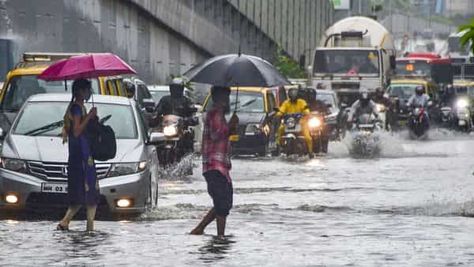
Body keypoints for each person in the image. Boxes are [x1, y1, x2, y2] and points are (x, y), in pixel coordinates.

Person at [191, 86, 238, 238]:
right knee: (222, 203)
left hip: (222, 166)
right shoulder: (214, 113)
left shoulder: (220, 115)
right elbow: (216, 134)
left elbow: (222, 136)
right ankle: (220, 237)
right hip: (214, 166)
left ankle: (200, 228)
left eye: (227, 97)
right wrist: (229, 127)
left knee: (225, 202)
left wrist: (231, 128)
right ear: (217, 98)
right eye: (223, 97)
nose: (226, 101)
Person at [57, 79, 99, 232]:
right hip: (80, 155)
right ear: (80, 91)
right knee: (86, 192)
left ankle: (81, 225)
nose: (89, 93)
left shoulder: (80, 107)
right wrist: (89, 116)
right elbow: (76, 131)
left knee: (88, 193)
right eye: (87, 89)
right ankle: (71, 223)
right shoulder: (76, 108)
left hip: (82, 153)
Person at [275, 88, 313, 156]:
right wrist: (279, 113)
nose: (293, 95)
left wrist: (306, 112)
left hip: (301, 123)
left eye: (294, 93)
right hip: (289, 123)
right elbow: (282, 110)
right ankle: (277, 146)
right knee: (280, 129)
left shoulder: (301, 102)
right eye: (291, 93)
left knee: (308, 137)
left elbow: (306, 109)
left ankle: (310, 152)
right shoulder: (286, 103)